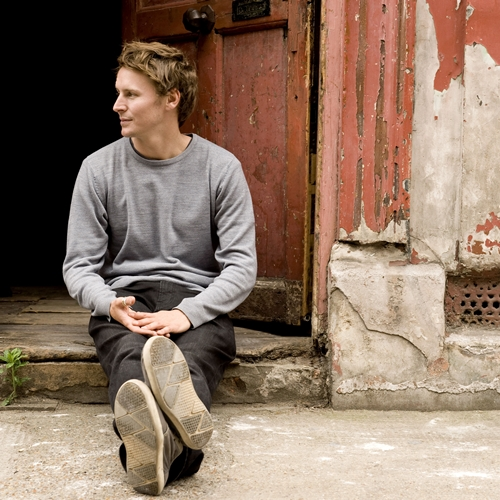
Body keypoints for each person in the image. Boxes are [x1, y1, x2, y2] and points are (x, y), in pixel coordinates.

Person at [63, 41, 257, 496]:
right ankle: (176, 454)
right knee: (130, 360)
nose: (117, 105)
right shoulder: (97, 169)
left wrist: (188, 314)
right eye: (118, 93)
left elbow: (241, 265)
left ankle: (149, 456)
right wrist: (109, 304)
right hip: (127, 299)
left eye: (131, 94)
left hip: (196, 300)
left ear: (171, 99)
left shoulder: (220, 168)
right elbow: (79, 265)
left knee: (192, 361)